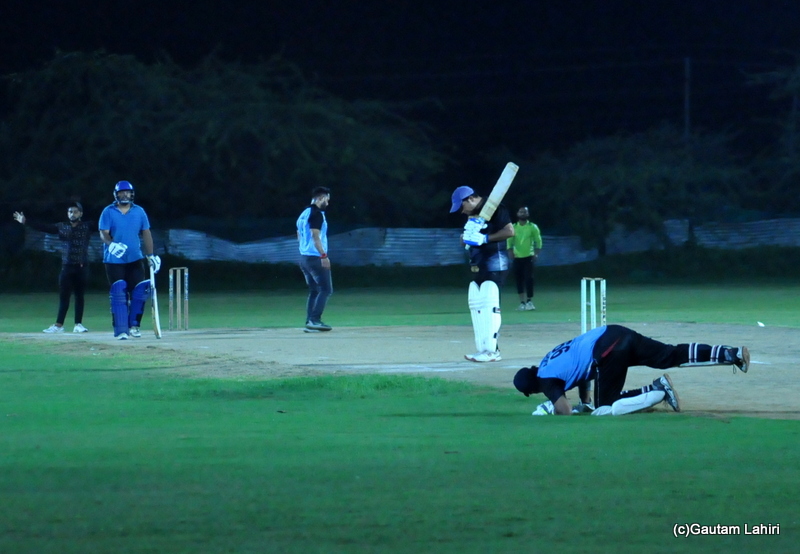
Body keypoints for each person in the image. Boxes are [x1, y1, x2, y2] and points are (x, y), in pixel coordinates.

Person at [513, 324, 750, 416]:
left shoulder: (545, 381)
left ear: (530, 390)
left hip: (607, 350)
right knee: (668, 354)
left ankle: (658, 390)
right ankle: (730, 353)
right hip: (614, 332)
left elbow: (564, 409)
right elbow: (580, 373)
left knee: (605, 407)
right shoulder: (547, 362)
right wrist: (585, 401)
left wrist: (560, 412)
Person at [450, 185, 514, 362]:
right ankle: (484, 349)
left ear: (470, 199)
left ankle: (492, 351)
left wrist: (485, 238)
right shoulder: (473, 214)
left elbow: (510, 231)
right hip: (479, 263)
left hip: (496, 263)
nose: (462, 211)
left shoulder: (495, 207)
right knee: (478, 305)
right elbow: (470, 239)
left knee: (489, 304)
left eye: (462, 206)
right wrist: (466, 239)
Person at [12, 202, 93, 333]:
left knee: (79, 296)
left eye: (75, 212)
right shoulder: (62, 226)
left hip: (82, 266)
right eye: (70, 212)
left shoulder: (86, 226)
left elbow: (105, 226)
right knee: (64, 296)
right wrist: (26, 221)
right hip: (67, 266)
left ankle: (78, 324)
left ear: (81, 213)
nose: (72, 214)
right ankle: (58, 325)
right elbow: (44, 227)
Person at [98, 181, 161, 340]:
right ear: (116, 194)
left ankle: (134, 326)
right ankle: (121, 328)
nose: (125, 195)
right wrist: (111, 244)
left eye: (128, 192)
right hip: (113, 260)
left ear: (132, 194)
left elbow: (146, 233)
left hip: (135, 258)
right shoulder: (108, 211)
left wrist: (151, 255)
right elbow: (103, 233)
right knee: (119, 293)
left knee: (138, 293)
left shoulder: (139, 211)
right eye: (122, 192)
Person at [297, 186, 333, 333]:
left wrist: (303, 250)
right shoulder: (317, 214)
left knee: (314, 290)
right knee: (326, 289)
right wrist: (323, 255)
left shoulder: (303, 214)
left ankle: (310, 322)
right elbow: (314, 235)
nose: (327, 203)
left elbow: (299, 234)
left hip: (304, 257)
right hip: (315, 257)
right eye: (327, 200)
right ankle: (315, 320)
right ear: (320, 198)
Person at [507, 206, 542, 311]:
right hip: (517, 257)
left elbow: (538, 241)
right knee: (519, 279)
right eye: (521, 212)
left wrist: (536, 253)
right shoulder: (513, 227)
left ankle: (529, 301)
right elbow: (509, 241)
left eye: (525, 212)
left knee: (529, 279)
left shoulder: (532, 227)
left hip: (528, 256)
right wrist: (510, 251)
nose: (523, 214)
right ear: (517, 214)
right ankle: (522, 303)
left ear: (528, 214)